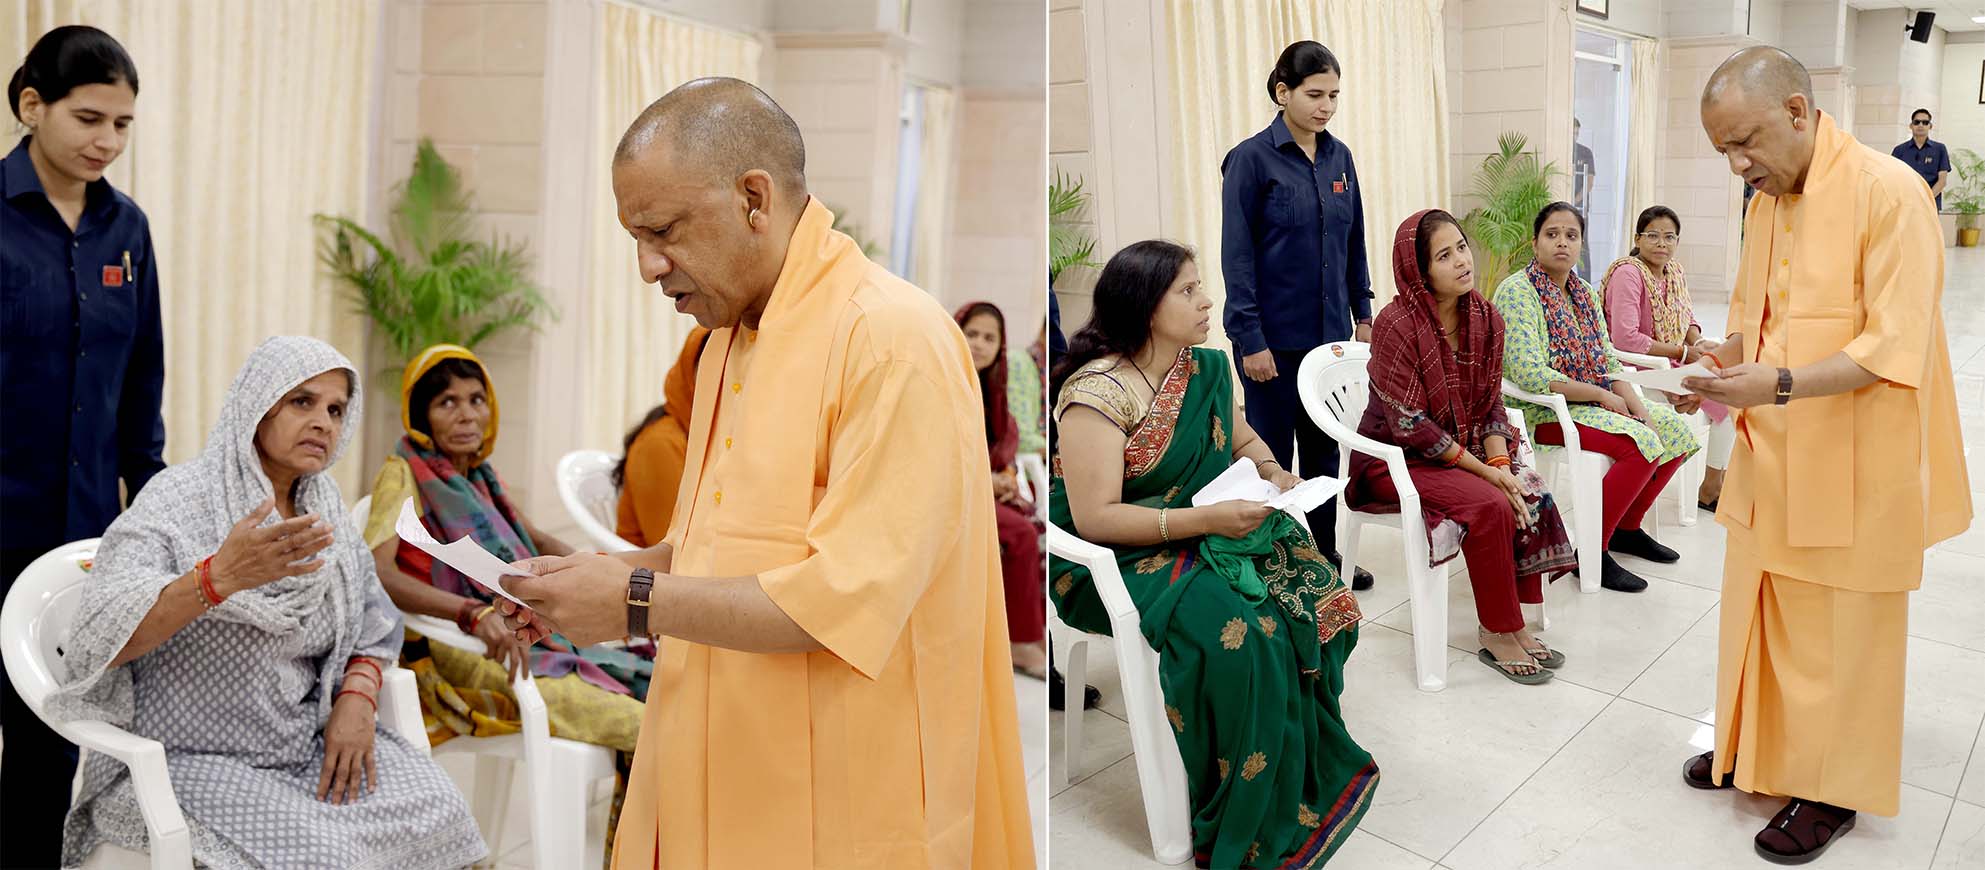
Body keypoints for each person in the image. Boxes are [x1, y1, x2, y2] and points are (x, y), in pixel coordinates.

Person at [488, 77, 1034, 867]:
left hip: (846, 776)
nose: (647, 266)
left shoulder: (890, 340)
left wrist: (632, 601)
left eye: (663, 230)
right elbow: (709, 551)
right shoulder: (729, 339)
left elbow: (842, 601)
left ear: (754, 198)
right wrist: (589, 584)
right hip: (721, 739)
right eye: (635, 237)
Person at [1681, 47, 1971, 863]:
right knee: (1760, 609)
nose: (1737, 165)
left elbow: (1892, 347)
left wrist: (1773, 384)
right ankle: (1753, 751)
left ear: (1798, 112)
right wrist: (1711, 363)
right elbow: (1753, 319)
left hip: (1856, 459)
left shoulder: (1890, 193)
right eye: (1722, 151)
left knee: (1841, 635)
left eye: (1745, 142)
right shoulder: (1767, 201)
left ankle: (1832, 788)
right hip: (1774, 449)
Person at [46, 336, 487, 869]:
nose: (323, 422)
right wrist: (215, 580)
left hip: (303, 746)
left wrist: (358, 696)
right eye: (303, 402)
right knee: (331, 858)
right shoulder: (178, 500)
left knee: (441, 811)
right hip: (190, 758)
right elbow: (102, 637)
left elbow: (375, 621)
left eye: (336, 410)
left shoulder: (322, 508)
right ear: (257, 405)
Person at [1051, 239, 1377, 868]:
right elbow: (1096, 518)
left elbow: (1243, 439)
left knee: (1316, 593)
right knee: (1244, 635)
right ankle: (1241, 805)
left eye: (1200, 286)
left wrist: (1275, 474)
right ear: (1146, 306)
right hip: (1115, 556)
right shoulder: (1097, 394)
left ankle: (1298, 760)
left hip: (1204, 523)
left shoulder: (1202, 367)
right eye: (1188, 290)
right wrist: (1208, 520)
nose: (1207, 301)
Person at [0, 26, 165, 866]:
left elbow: (141, 382)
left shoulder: (126, 230)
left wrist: (153, 508)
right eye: (89, 118)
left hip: (83, 536)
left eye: (122, 124)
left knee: (51, 737)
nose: (107, 141)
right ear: (33, 105)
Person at [361, 343, 648, 750]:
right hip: (458, 643)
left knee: (658, 689)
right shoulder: (402, 473)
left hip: (519, 632)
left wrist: (613, 577)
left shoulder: (482, 476)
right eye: (447, 403)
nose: (467, 415)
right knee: (645, 725)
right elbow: (378, 573)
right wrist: (472, 613)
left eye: (476, 400)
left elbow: (537, 540)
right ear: (421, 415)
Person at [1347, 210, 1579, 684]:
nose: (1461, 261)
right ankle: (1497, 630)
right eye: (1443, 255)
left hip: (1462, 449)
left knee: (1525, 488)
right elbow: (1411, 426)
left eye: (1462, 247)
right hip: (1393, 460)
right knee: (1491, 502)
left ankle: (1515, 621)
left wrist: (1500, 463)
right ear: (1419, 270)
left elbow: (1491, 402)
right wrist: (1488, 473)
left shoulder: (1485, 318)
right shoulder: (1396, 324)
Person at [1220, 40, 1375, 590]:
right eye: (1315, 94)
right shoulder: (1250, 160)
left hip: (1328, 340)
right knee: (1269, 453)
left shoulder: (1340, 158)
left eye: (1334, 95)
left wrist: (1363, 312)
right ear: (1283, 92)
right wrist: (1250, 339)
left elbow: (1354, 241)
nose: (1326, 106)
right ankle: (1272, 562)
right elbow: (1237, 256)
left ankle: (1322, 555)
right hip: (1271, 341)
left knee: (1324, 452)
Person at [1494, 202, 1700, 594]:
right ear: (1535, 243)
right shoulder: (1517, 292)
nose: (1562, 242)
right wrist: (1601, 396)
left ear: (1581, 245)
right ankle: (1591, 551)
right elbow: (1529, 373)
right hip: (1542, 410)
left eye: (1571, 236)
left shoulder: (1584, 292)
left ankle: (1625, 528)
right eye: (1552, 234)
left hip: (1590, 400)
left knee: (1673, 432)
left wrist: (1636, 406)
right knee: (1639, 446)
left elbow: (1607, 359)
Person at [1600, 205, 1737, 509]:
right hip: (1635, 369)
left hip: (1670, 362)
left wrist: (1698, 342)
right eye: (1653, 236)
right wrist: (1684, 352)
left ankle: (1714, 483)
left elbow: (1686, 317)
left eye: (1669, 237)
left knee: (1732, 387)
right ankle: (1711, 488)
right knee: (1724, 396)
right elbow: (1625, 338)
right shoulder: (1628, 274)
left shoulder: (1673, 271)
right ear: (1637, 238)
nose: (1661, 243)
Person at [957, 300, 1049, 679]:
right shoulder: (944, 383)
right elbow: (937, 453)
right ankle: (1020, 643)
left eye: (989, 337)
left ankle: (1033, 633)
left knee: (1036, 525)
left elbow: (1001, 446)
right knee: (1020, 533)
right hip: (947, 494)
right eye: (971, 334)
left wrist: (1007, 476)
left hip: (980, 490)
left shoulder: (992, 389)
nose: (979, 344)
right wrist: (988, 480)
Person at [615, 326, 713, 547]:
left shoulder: (707, 435)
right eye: (713, 369)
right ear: (689, 373)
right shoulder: (659, 445)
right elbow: (677, 547)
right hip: (652, 567)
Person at [1892, 108, 1951, 211]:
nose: (1920, 125)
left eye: (1925, 122)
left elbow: (1942, 181)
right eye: (1917, 122)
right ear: (1911, 126)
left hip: (1930, 204)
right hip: (1905, 204)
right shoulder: (1899, 150)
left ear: (1930, 126)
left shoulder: (1940, 149)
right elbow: (1893, 178)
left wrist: (1927, 199)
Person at [1573, 118, 1597, 279]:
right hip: (1562, 205)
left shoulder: (1585, 152)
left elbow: (1589, 182)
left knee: (1582, 245)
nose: (1574, 136)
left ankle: (1585, 283)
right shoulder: (1561, 150)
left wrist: (1575, 201)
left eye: (1577, 133)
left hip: (1580, 208)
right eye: (1572, 132)